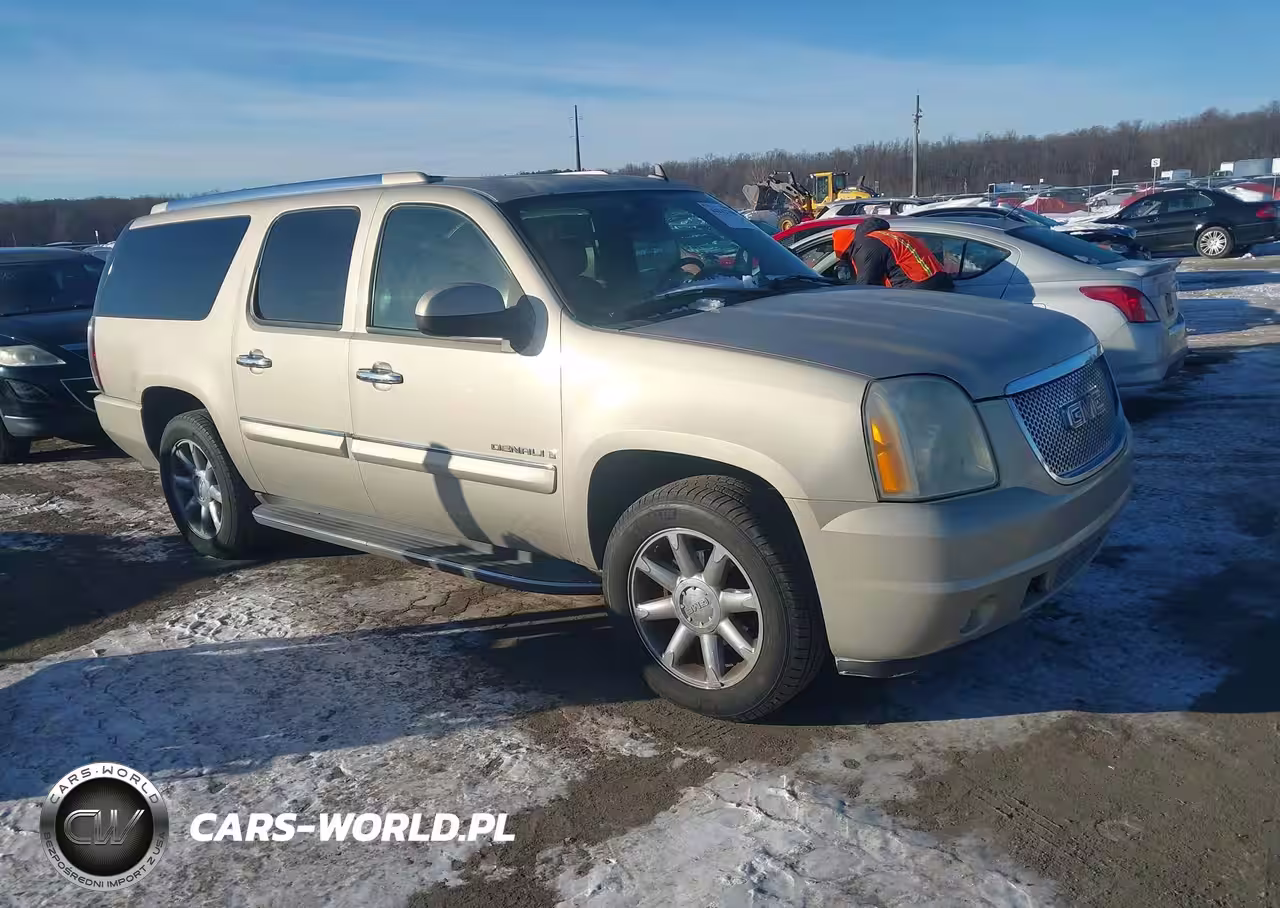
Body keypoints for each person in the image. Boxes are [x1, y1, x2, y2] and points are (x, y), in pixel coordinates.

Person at [834, 217, 955, 291]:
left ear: (847, 249)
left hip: (917, 288)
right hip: (938, 281)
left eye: (846, 257)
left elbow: (866, 286)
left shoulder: (868, 245)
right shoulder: (887, 236)